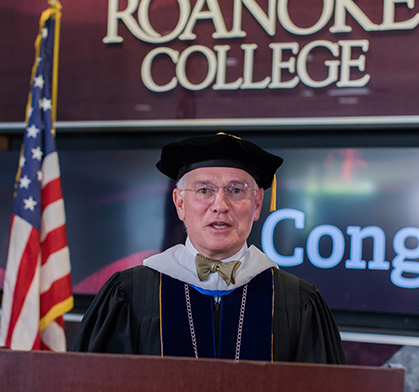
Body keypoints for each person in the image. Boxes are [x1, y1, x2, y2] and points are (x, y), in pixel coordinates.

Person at [72, 133, 345, 364]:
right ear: (179, 203)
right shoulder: (129, 294)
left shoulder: (298, 301)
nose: (220, 205)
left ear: (258, 204)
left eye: (236, 190)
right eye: (204, 190)